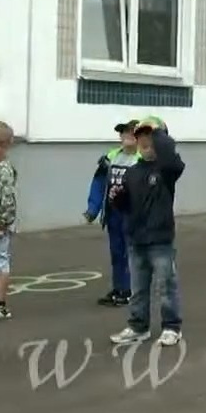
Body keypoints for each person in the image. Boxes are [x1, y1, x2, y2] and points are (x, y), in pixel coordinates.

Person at [108, 118, 186, 347]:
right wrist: (118, 199)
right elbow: (127, 206)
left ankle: (171, 327)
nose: (144, 141)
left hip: (160, 240)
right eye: (140, 136)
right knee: (138, 289)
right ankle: (138, 326)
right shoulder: (133, 172)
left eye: (149, 137)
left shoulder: (167, 170)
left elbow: (172, 158)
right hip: (136, 239)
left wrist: (159, 133)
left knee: (166, 286)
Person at [84, 119, 140, 307]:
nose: (125, 136)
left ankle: (131, 290)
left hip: (132, 214)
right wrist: (93, 209)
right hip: (113, 213)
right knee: (116, 252)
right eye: (123, 132)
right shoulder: (111, 157)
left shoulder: (142, 159)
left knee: (131, 253)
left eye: (129, 132)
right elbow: (99, 183)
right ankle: (118, 288)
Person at [0, 121, 17, 320]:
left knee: (0, 261)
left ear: (2, 146)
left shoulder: (4, 169)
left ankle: (0, 304)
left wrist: (0, 225)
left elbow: (8, 201)